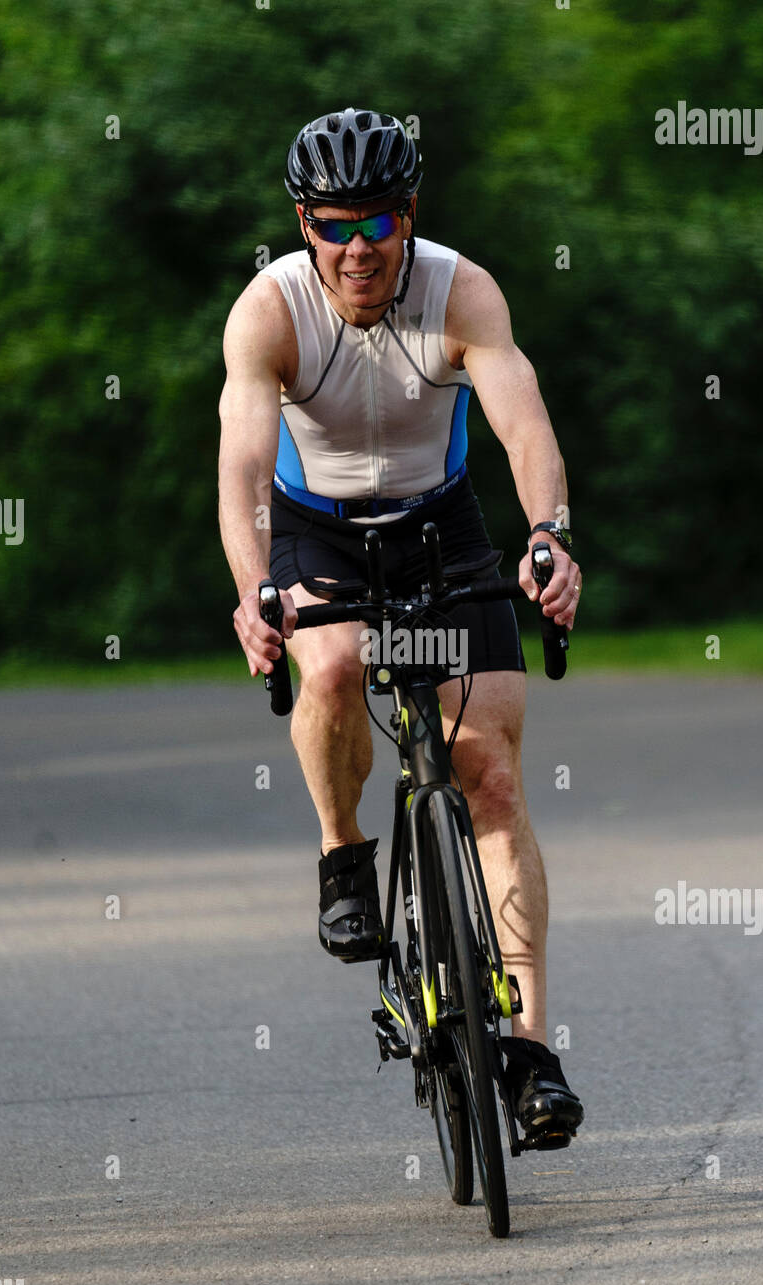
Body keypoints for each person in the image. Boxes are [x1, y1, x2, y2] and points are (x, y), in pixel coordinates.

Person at [218, 108, 584, 1148]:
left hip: (440, 524)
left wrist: (547, 535)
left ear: (408, 215)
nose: (359, 247)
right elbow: (243, 468)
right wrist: (256, 591)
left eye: (378, 221)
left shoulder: (459, 290)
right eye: (334, 225)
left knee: (493, 780)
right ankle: (344, 854)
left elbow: (521, 421)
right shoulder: (269, 310)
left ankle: (527, 1051)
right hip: (316, 532)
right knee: (329, 667)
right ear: (304, 225)